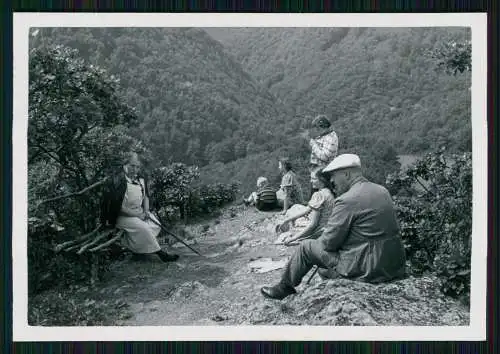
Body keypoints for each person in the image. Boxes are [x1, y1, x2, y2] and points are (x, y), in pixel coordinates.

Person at [261, 154, 406, 300]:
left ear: (347, 174)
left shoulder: (347, 200)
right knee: (324, 271)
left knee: (306, 247)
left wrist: (327, 233)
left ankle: (285, 287)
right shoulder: (382, 191)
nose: (331, 180)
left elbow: (328, 244)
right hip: (392, 266)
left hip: (367, 270)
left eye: (334, 176)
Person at [100, 151, 179, 263]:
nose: (135, 169)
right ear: (124, 165)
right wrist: (138, 215)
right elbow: (118, 208)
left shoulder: (140, 179)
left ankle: (138, 250)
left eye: (137, 167)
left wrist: (146, 211)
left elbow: (146, 196)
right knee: (144, 228)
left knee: (155, 225)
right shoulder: (118, 181)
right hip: (122, 216)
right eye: (132, 166)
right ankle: (161, 254)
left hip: (139, 212)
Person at [275, 167, 335, 245]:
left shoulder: (319, 195)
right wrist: (287, 220)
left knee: (290, 228)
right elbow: (307, 210)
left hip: (318, 231)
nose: (311, 181)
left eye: (313, 179)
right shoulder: (329, 192)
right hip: (326, 229)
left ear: (322, 180)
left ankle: (287, 230)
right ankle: (287, 225)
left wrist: (293, 238)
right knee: (296, 208)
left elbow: (313, 225)